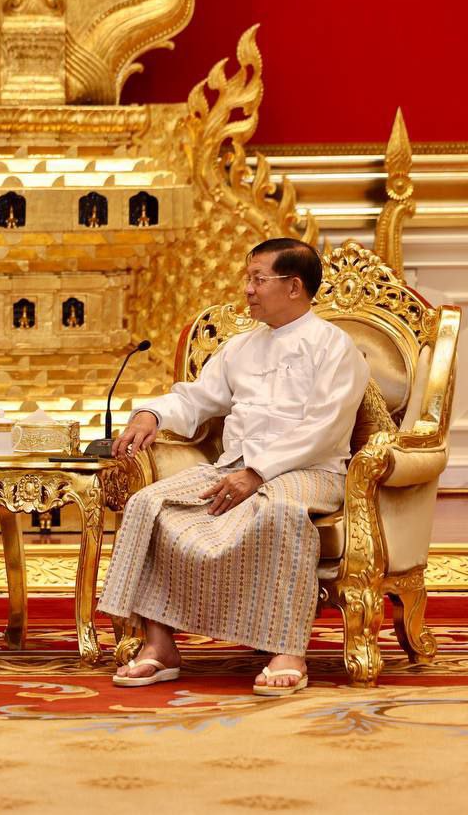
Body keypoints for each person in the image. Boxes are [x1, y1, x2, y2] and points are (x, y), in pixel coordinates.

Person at [99, 237, 370, 696]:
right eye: (248, 278)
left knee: (280, 512)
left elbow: (324, 428)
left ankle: (287, 650)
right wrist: (151, 414)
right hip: (234, 465)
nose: (247, 289)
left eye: (258, 279)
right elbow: (196, 399)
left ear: (294, 287)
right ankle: (160, 644)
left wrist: (258, 472)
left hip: (312, 471)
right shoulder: (240, 347)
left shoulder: (335, 347)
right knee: (149, 503)